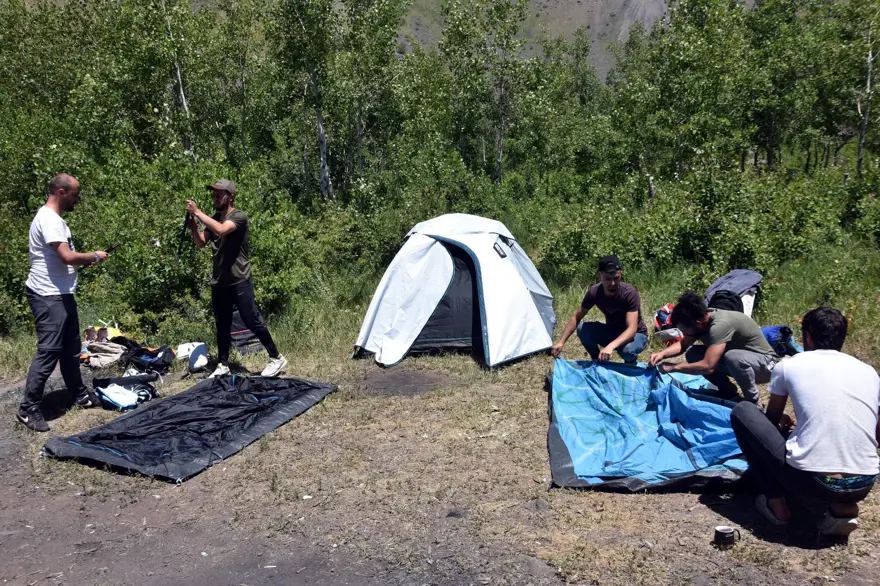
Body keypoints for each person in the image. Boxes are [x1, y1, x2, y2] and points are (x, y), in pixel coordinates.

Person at [729, 307, 879, 536]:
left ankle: (777, 504)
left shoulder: (789, 365)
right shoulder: (869, 372)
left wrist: (783, 424)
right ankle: (843, 507)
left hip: (809, 481)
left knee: (744, 411)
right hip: (864, 482)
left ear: (808, 336)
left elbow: (770, 421)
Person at [17, 174, 108, 432]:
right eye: (75, 195)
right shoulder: (49, 220)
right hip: (47, 295)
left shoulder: (54, 220)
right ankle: (28, 408)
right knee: (49, 351)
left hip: (61, 293)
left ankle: (79, 394)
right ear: (60, 192)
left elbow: (64, 259)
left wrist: (85, 260)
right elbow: (67, 257)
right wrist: (95, 256)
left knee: (71, 348)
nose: (77, 200)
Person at [187, 179, 287, 378]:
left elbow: (222, 230)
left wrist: (198, 213)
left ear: (230, 197)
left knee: (251, 319)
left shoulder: (239, 216)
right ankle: (223, 364)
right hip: (220, 281)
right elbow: (200, 243)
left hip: (240, 279)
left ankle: (276, 357)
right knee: (222, 323)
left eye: (219, 194)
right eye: (213, 194)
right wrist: (193, 228)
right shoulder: (215, 217)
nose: (215, 197)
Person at [648, 291, 778, 403]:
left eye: (685, 330)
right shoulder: (701, 319)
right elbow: (683, 345)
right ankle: (729, 393)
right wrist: (662, 354)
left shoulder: (719, 326)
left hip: (766, 366)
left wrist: (673, 367)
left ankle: (753, 401)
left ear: (697, 323)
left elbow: (708, 366)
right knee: (693, 354)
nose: (685, 335)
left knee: (732, 357)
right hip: (743, 363)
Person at [551, 255, 648, 363]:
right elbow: (576, 317)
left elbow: (632, 329)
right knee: (582, 329)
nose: (612, 283)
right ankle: (598, 361)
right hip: (612, 330)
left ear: (620, 274)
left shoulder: (629, 293)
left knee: (627, 351)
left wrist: (610, 346)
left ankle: (630, 365)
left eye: (616, 278)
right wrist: (561, 341)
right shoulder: (595, 292)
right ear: (600, 275)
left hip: (637, 335)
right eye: (607, 279)